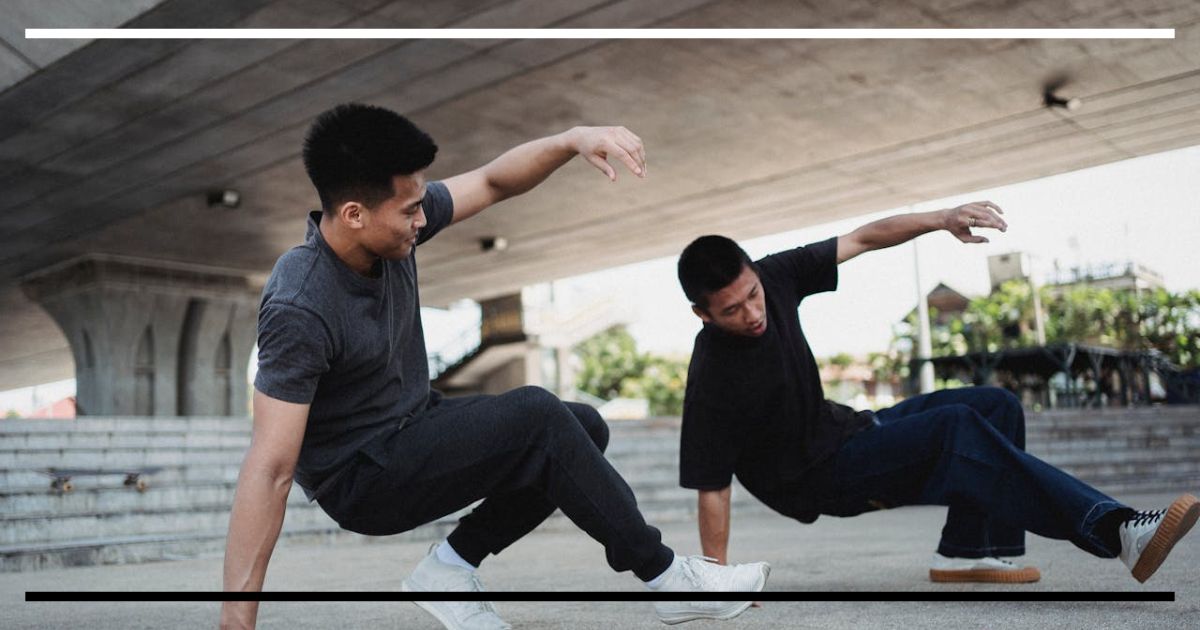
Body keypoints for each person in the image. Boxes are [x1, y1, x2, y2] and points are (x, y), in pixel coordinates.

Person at [219, 104, 769, 630]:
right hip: (363, 479)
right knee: (537, 414)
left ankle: (450, 568)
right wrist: (235, 618)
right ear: (355, 214)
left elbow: (491, 181)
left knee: (582, 426)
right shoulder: (300, 303)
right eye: (410, 210)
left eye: (421, 205)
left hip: (415, 426)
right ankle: (668, 577)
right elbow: (269, 468)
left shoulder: (393, 228)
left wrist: (571, 139)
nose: (421, 219)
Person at [674, 202, 1198, 585]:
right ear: (703, 314)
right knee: (955, 428)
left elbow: (864, 236)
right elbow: (712, 488)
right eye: (731, 311)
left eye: (752, 295)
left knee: (994, 405)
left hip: (850, 431)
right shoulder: (712, 381)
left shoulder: (774, 274)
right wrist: (718, 582)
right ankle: (1117, 530)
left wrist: (942, 218)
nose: (753, 313)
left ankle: (972, 550)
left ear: (753, 273)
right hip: (815, 480)